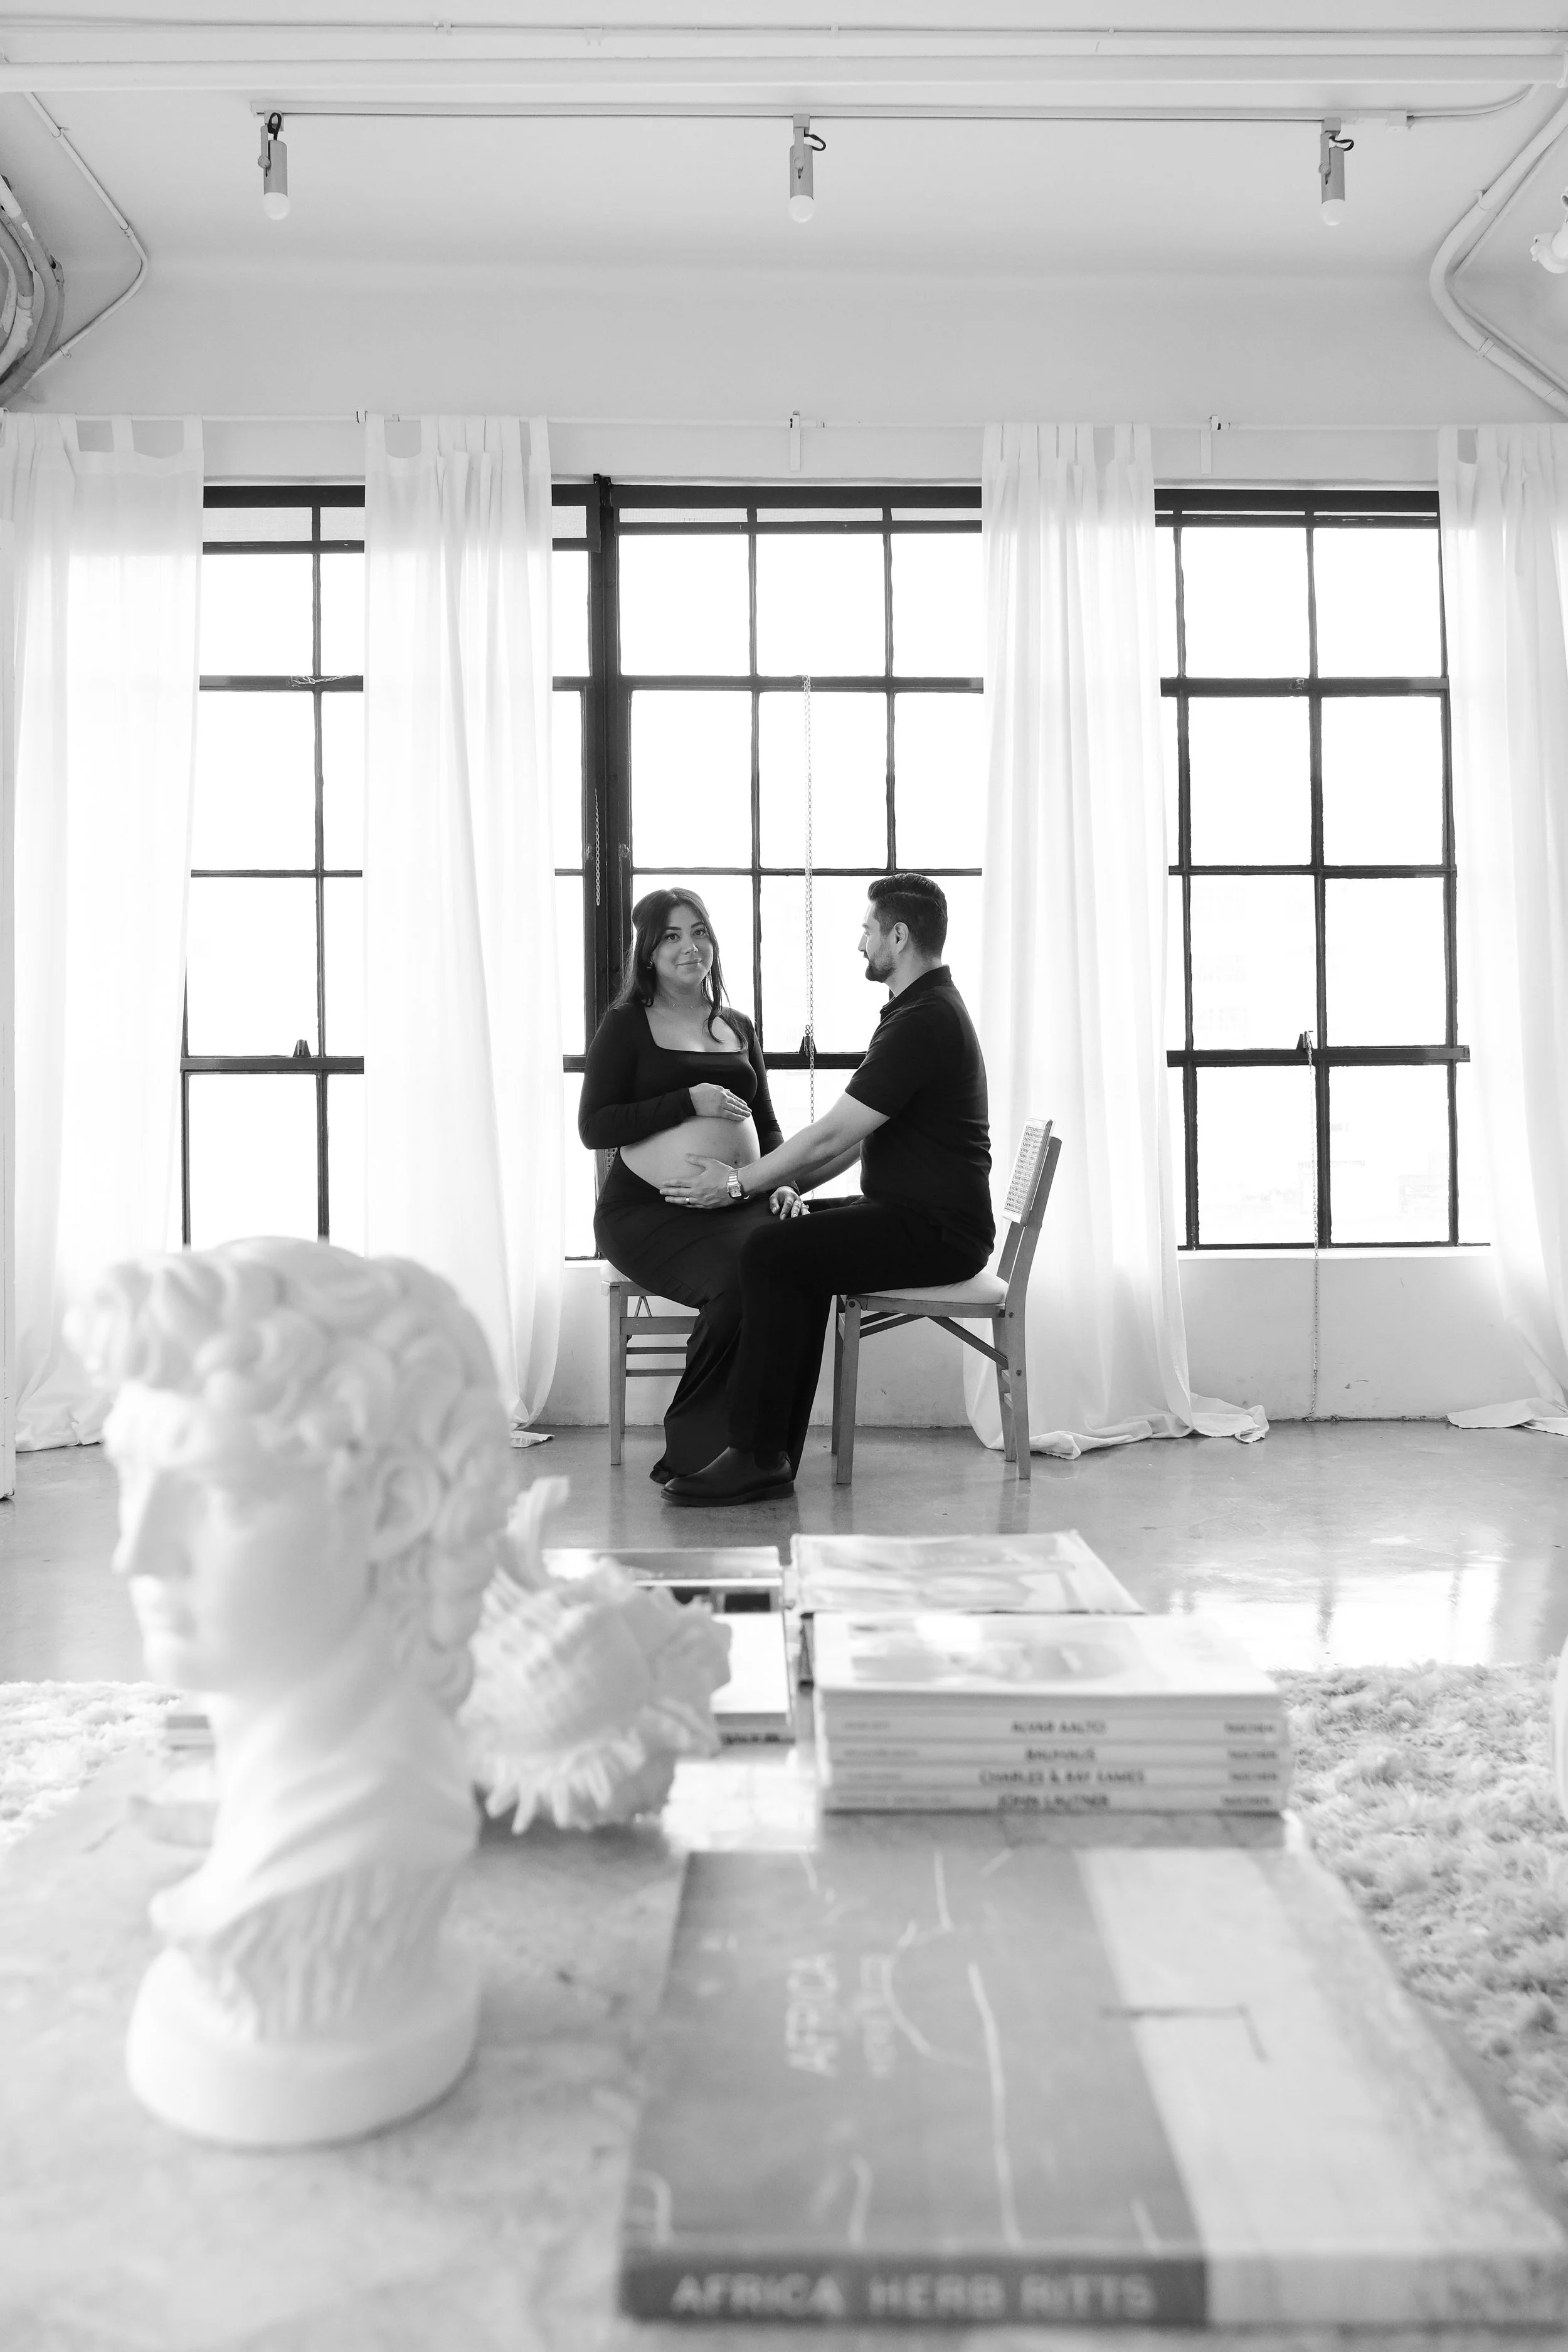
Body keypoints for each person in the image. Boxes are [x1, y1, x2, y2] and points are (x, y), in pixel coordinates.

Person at [76, 1239, 514, 2143]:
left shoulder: (376, 1834)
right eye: (134, 1477)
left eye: (220, 1493)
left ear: (390, 1507)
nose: (138, 1553)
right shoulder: (301, 1796)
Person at [659, 872, 993, 1505]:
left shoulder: (923, 1021)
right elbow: (856, 1140)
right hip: (916, 1216)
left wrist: (734, 1186)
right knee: (785, 1239)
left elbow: (830, 1133)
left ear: (898, 935)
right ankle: (768, 1450)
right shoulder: (919, 1012)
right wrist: (787, 1191)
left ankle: (756, 1454)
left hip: (938, 1230)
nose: (859, 943)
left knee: (767, 1253)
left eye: (867, 930)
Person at [578, 887, 805, 1483]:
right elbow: (594, 1125)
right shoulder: (628, 1025)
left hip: (737, 1203)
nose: (690, 947)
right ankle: (703, 1450)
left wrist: (782, 1183)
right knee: (738, 1286)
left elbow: (769, 1123)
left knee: (791, 1271)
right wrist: (687, 1100)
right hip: (649, 1212)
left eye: (700, 932)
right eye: (673, 936)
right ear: (649, 952)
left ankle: (764, 1450)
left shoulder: (737, 1026)